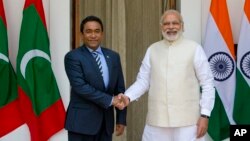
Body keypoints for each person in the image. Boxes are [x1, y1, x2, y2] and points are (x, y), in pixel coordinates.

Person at [119, 9, 215, 141]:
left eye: (175, 23)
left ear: (182, 26)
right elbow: (143, 81)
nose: (171, 27)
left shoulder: (194, 48)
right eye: (166, 24)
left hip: (188, 122)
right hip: (157, 121)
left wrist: (205, 115)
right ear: (161, 27)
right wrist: (128, 96)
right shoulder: (152, 49)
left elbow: (207, 83)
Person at [64, 15, 126, 141]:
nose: (93, 35)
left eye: (97, 31)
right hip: (81, 124)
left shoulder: (113, 56)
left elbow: (120, 89)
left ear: (102, 34)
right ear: (82, 34)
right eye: (88, 31)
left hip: (106, 125)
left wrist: (121, 118)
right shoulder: (73, 57)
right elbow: (80, 87)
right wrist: (110, 100)